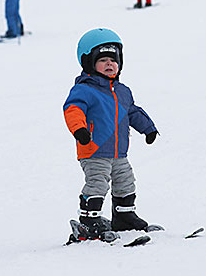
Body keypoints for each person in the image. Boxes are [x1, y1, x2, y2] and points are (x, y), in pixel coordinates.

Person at [63, 28, 160, 240]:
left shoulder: (122, 91)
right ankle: (89, 222)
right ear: (89, 62)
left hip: (119, 153)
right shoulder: (85, 90)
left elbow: (132, 111)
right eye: (103, 59)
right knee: (97, 182)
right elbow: (73, 109)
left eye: (113, 60)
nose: (110, 64)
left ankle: (124, 217)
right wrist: (79, 130)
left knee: (126, 181)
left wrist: (148, 129)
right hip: (94, 149)